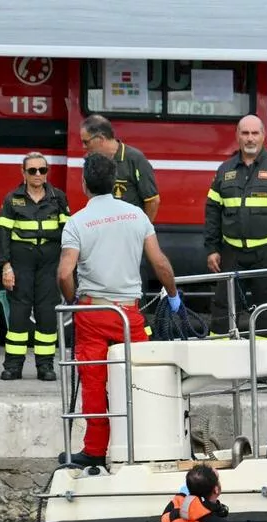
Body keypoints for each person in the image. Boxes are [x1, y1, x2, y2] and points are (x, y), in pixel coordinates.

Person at [56, 153, 180, 469]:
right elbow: (161, 262)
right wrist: (174, 295)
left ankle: (95, 451)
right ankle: (145, 444)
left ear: (84, 184)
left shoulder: (77, 222)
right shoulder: (137, 216)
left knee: (95, 382)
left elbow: (64, 273)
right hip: (129, 315)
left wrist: (71, 300)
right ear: (115, 183)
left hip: (93, 313)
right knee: (139, 379)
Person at [204, 115, 267, 337]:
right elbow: (212, 212)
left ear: (263, 136)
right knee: (222, 311)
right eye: (245, 133)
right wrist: (212, 249)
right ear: (237, 136)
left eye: (254, 133)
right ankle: (218, 361)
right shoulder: (224, 170)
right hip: (231, 253)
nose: (250, 139)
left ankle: (263, 369)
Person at [0, 152, 68, 382]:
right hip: (21, 261)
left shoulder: (59, 198)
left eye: (42, 170)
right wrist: (6, 266)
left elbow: (68, 235)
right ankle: (13, 366)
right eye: (32, 170)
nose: (38, 175)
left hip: (49, 261)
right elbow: (2, 234)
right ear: (23, 173)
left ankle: (45, 366)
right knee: (19, 313)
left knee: (47, 313)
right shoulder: (12, 199)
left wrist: (66, 266)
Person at [78, 114, 159, 221]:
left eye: (86, 142)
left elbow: (152, 201)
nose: (83, 147)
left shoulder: (135, 159)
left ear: (101, 138)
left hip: (129, 229)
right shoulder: (90, 160)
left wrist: (144, 230)